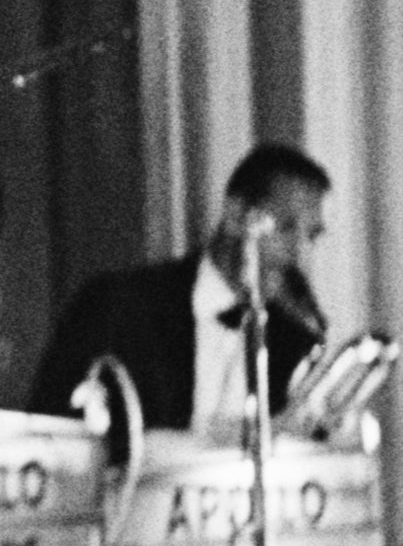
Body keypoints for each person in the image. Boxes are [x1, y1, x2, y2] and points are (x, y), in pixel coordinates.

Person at [28, 141, 337, 468]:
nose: (300, 254)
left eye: (312, 236)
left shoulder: (296, 342)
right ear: (234, 216)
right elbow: (53, 433)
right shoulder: (119, 305)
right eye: (285, 228)